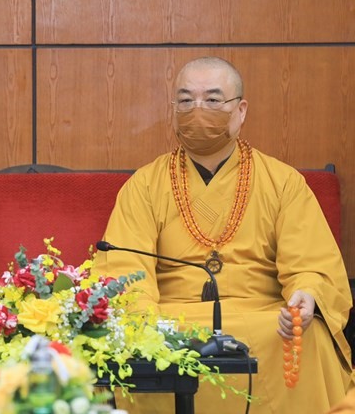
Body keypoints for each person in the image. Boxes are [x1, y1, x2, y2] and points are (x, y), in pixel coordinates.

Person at [93, 56, 353, 413]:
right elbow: (124, 267)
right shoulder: (145, 185)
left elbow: (310, 262)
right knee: (141, 343)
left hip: (263, 319)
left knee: (308, 337)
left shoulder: (283, 182)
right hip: (172, 320)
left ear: (241, 110)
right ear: (173, 110)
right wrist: (142, 322)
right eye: (185, 101)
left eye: (213, 100)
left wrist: (306, 296)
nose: (197, 110)